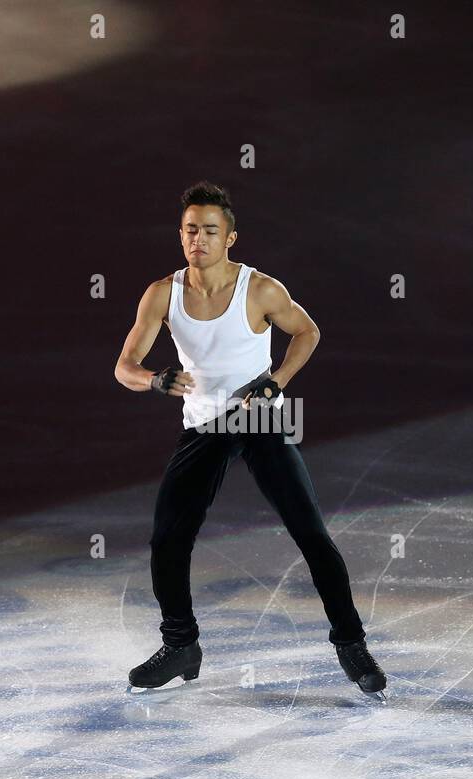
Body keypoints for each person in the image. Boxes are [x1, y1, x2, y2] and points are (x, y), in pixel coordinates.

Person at [113, 180, 387, 699]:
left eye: (210, 231)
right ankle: (181, 646)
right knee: (168, 539)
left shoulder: (260, 289)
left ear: (230, 238)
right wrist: (153, 379)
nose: (199, 239)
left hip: (261, 421)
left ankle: (351, 644)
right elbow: (123, 367)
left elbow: (308, 332)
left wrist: (275, 383)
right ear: (182, 234)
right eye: (191, 230)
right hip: (203, 425)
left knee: (310, 535)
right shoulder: (162, 294)